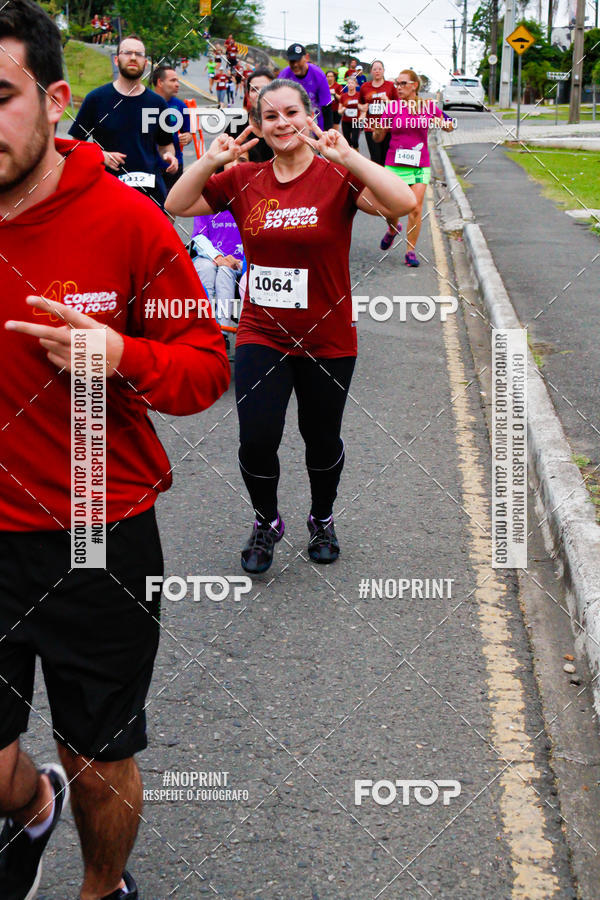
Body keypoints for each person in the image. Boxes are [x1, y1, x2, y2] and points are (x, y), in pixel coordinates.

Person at [0, 4, 229, 900]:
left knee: (96, 759)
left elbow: (206, 369)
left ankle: (104, 889)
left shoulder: (128, 224)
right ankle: (27, 809)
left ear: (56, 99)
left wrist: (121, 353)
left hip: (98, 531)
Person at [165, 80, 416, 573]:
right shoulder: (243, 179)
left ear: (310, 117)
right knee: (256, 438)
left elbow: (403, 201)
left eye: (292, 112)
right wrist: (210, 162)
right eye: (271, 116)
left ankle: (321, 517)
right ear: (257, 126)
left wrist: (349, 159)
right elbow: (177, 203)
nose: (283, 123)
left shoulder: (336, 177)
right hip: (263, 332)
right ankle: (266, 521)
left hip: (328, 337)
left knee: (321, 439)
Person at [69, 34, 178, 209]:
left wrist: (169, 156)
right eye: (127, 53)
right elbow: (75, 145)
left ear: (146, 62)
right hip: (106, 194)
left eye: (139, 54)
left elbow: (166, 145)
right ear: (117, 59)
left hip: (148, 195)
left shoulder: (157, 104)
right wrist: (100, 155)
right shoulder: (96, 99)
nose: (133, 57)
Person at [374, 68, 453, 264]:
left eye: (403, 84)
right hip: (394, 164)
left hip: (420, 165)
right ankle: (393, 228)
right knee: (390, 208)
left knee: (415, 208)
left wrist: (440, 121)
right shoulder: (392, 109)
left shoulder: (427, 107)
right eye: (397, 84)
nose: (398, 88)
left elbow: (450, 125)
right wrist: (379, 127)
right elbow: (377, 138)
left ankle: (410, 251)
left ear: (414, 86)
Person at [191, 212, 244, 331]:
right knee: (205, 268)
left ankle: (223, 330)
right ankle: (203, 326)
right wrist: (217, 257)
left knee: (225, 272)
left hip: (239, 260)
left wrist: (241, 263)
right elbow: (199, 237)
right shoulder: (205, 201)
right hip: (209, 257)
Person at [151, 65, 193, 192]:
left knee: (170, 207)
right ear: (160, 82)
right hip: (150, 164)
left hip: (174, 165)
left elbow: (188, 132)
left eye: (178, 81)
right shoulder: (145, 103)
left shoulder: (180, 106)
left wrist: (188, 137)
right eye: (173, 80)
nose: (177, 84)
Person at [278, 43, 333, 129]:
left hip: (315, 123)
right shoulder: (284, 76)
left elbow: (326, 106)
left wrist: (328, 131)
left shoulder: (318, 74)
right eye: (292, 61)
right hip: (292, 124)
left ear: (306, 58)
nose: (295, 65)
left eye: (298, 60)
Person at [358, 59, 398, 165]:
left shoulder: (390, 86)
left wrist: (388, 101)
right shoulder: (365, 87)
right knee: (375, 158)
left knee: (385, 157)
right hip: (370, 127)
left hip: (387, 128)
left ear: (384, 71)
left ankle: (384, 180)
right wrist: (362, 108)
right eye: (375, 69)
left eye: (380, 69)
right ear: (371, 71)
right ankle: (376, 181)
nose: (377, 71)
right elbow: (359, 104)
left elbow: (398, 106)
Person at [339, 74, 360, 148]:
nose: (350, 85)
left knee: (355, 141)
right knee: (347, 143)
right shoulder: (343, 96)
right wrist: (343, 110)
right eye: (349, 83)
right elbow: (339, 110)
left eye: (352, 83)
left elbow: (364, 107)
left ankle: (357, 157)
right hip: (346, 122)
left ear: (356, 84)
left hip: (356, 121)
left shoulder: (359, 96)